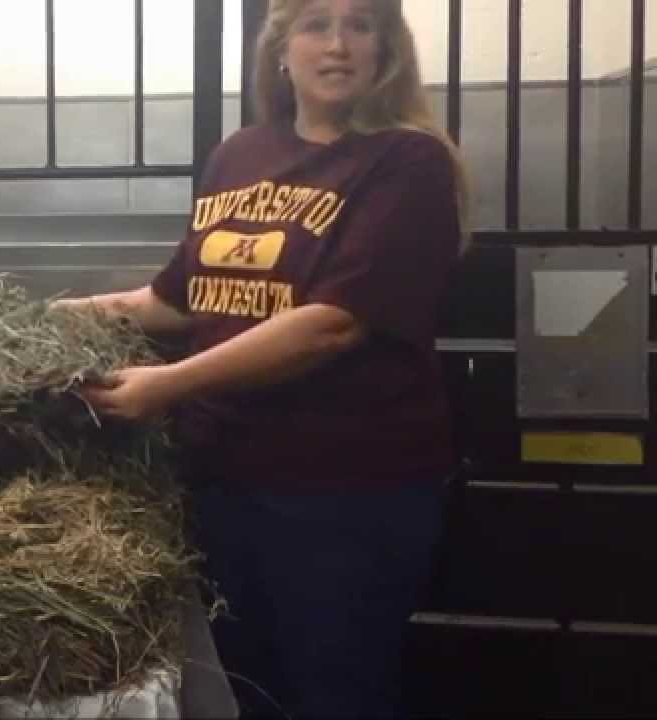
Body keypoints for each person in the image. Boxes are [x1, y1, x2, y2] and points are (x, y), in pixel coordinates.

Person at [57, 0, 468, 716]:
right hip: (223, 483)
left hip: (345, 494)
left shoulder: (408, 163)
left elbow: (332, 325)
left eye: (360, 25)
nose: (337, 45)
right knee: (252, 692)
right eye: (315, 24)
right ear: (281, 49)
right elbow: (179, 301)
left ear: (386, 50)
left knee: (337, 693)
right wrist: (63, 316)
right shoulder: (239, 155)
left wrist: (169, 385)